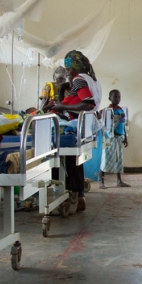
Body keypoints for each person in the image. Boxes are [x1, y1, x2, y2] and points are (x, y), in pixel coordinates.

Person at [45, 50, 101, 211]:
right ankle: (78, 192)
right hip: (85, 125)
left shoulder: (79, 79)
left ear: (76, 67)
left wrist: (61, 106)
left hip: (78, 124)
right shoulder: (93, 80)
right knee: (74, 161)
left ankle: (67, 189)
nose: (68, 73)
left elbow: (88, 103)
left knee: (62, 156)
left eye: (69, 69)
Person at [100, 89, 130, 189]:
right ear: (110, 98)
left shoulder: (121, 110)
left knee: (119, 160)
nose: (117, 99)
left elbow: (124, 125)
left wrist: (126, 137)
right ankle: (101, 181)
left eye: (119, 97)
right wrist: (117, 119)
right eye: (115, 97)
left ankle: (119, 180)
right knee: (106, 159)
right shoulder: (108, 111)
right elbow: (108, 126)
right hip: (110, 138)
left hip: (119, 137)